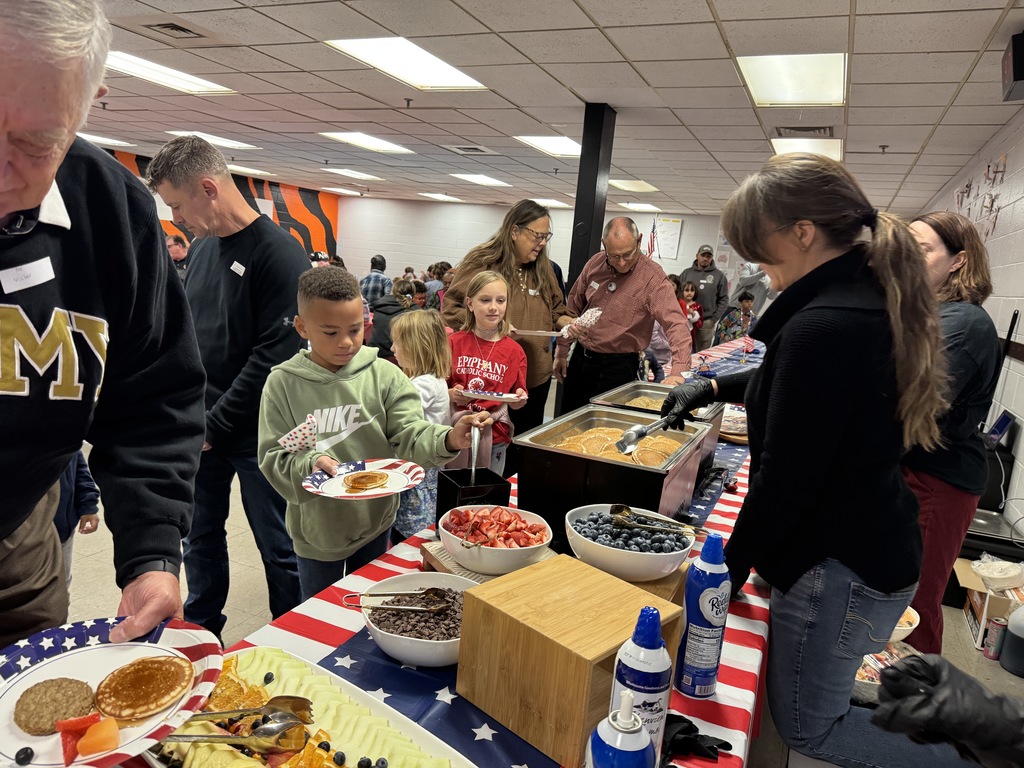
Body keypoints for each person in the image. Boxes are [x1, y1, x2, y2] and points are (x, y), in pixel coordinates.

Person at [660, 153, 969, 767]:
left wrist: (727, 568)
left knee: (810, 726)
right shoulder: (862, 299)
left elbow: (785, 483)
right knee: (825, 696)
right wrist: (717, 386)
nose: (759, 267)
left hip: (843, 563)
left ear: (803, 233)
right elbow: (799, 386)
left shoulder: (825, 324)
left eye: (764, 250)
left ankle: (967, 758)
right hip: (873, 540)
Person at [0, 0, 206, 647]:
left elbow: (151, 397)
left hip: (19, 528)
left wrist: (152, 551)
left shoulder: (112, 210)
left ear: (90, 103)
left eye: (35, 145)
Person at [147, 134, 305, 640]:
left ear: (208, 189)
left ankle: (292, 640)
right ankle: (201, 637)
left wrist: (213, 425)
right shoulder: (204, 248)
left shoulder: (280, 254)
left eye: (176, 204)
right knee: (200, 542)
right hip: (203, 430)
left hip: (260, 434)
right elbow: (193, 337)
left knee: (280, 547)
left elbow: (273, 357)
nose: (177, 218)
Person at [258, 268, 490, 600]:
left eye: (354, 330)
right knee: (321, 609)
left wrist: (449, 437)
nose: (346, 342)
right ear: (302, 327)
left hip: (376, 523)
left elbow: (410, 433)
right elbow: (273, 457)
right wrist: (309, 463)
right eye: (330, 332)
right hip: (318, 531)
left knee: (370, 604)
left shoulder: (384, 375)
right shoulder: (283, 385)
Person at [903, 211, 1001, 655]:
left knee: (914, 602)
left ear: (959, 261)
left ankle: (919, 713)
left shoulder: (963, 323)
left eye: (921, 250)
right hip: (913, 470)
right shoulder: (927, 312)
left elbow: (905, 404)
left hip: (937, 482)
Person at [442, 200, 573, 474]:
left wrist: (569, 324)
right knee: (486, 458)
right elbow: (451, 307)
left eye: (546, 236)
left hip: (532, 382)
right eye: (537, 235)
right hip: (490, 385)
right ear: (515, 231)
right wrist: (492, 327)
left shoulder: (545, 268)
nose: (542, 243)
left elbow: (556, 311)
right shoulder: (483, 261)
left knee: (523, 452)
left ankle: (510, 512)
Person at [555, 217, 691, 414]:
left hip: (619, 367)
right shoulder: (595, 263)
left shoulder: (652, 278)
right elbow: (573, 306)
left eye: (628, 254)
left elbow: (676, 324)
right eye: (614, 256)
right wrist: (561, 351)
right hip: (581, 360)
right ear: (604, 246)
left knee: (607, 428)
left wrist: (678, 371)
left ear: (639, 241)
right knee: (568, 420)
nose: (621, 262)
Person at [447, 271, 528, 476]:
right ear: (470, 303)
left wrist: (519, 399)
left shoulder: (514, 351)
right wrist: (450, 393)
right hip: (456, 432)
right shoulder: (454, 343)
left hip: (494, 437)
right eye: (485, 300)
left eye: (500, 300)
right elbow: (439, 386)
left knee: (487, 499)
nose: (494, 307)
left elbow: (518, 395)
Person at [390, 310, 451, 543]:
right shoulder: (432, 379)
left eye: (398, 343)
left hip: (418, 473)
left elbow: (394, 416)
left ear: (416, 346)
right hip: (424, 470)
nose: (393, 349)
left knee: (409, 537)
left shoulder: (422, 384)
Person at [54, 451, 100, 589]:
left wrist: (88, 504)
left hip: (63, 528)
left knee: (61, 584)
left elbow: (78, 463)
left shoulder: (66, 432)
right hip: (24, 534)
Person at [680, 244, 728, 352]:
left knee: (701, 354)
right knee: (683, 350)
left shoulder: (719, 276)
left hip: (706, 322)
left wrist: (713, 320)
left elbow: (724, 300)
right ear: (697, 255)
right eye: (703, 255)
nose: (705, 258)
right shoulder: (686, 273)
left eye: (709, 256)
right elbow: (677, 294)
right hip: (685, 320)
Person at [367, 278, 420, 363]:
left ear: (393, 291)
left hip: (374, 355)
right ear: (413, 294)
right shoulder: (416, 312)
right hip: (399, 358)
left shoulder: (379, 306)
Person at [680, 280, 703, 352]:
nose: (689, 293)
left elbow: (700, 324)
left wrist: (693, 315)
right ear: (682, 291)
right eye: (687, 290)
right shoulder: (678, 304)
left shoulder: (697, 306)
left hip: (690, 335)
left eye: (692, 290)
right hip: (678, 333)